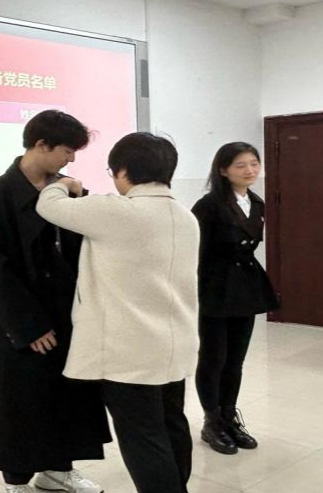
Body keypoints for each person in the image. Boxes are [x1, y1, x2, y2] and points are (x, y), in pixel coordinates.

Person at [36, 132, 200, 493]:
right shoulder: (185, 216)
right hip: (174, 344)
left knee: (143, 437)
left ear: (123, 170)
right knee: (171, 423)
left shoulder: (117, 211)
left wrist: (63, 183)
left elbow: (49, 206)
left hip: (129, 352)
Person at [0, 110, 111, 493]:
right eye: (67, 150)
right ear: (41, 145)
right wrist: (29, 326)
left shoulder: (65, 192)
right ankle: (16, 480)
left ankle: (57, 470)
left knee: (66, 395)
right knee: (19, 400)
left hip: (67, 313)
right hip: (15, 321)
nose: (71, 159)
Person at [191, 142, 279, 455]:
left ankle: (229, 417)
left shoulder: (256, 202)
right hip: (215, 288)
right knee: (213, 357)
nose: (249, 170)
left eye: (254, 163)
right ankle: (211, 421)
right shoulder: (208, 205)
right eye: (240, 165)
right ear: (223, 170)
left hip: (245, 286)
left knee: (236, 359)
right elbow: (195, 252)